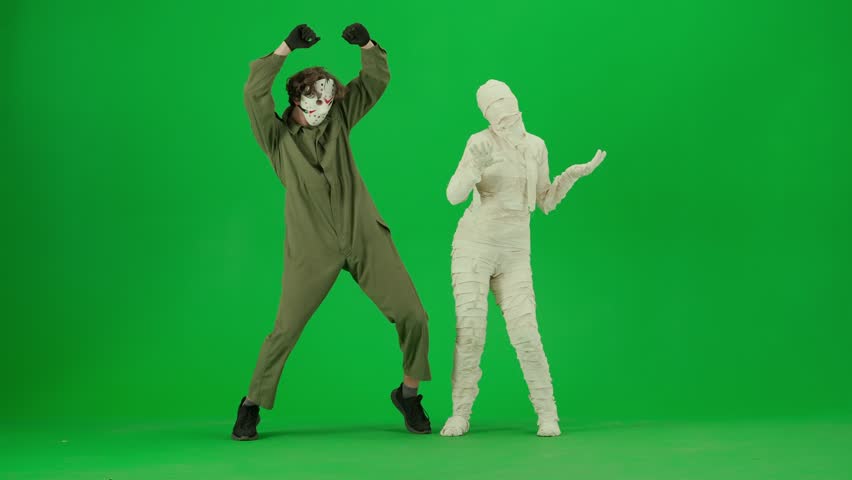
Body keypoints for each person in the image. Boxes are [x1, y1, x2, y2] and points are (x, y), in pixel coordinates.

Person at [232, 23, 432, 441]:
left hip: (363, 234)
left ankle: (409, 395)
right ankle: (251, 404)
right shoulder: (276, 138)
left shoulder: (339, 117)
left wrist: (368, 45)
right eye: (315, 99)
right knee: (285, 330)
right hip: (311, 248)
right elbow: (254, 93)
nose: (322, 106)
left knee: (413, 315)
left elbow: (374, 82)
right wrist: (285, 48)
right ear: (296, 98)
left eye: (328, 98)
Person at [441, 79, 606, 437]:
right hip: (474, 247)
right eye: (495, 111)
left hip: (515, 252)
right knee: (470, 331)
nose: (505, 117)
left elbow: (544, 200)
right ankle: (459, 413)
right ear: (487, 115)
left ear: (516, 106)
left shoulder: (536, 146)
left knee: (527, 332)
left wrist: (571, 176)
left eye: (508, 108)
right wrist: (472, 167)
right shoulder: (479, 142)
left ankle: (547, 413)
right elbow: (453, 196)